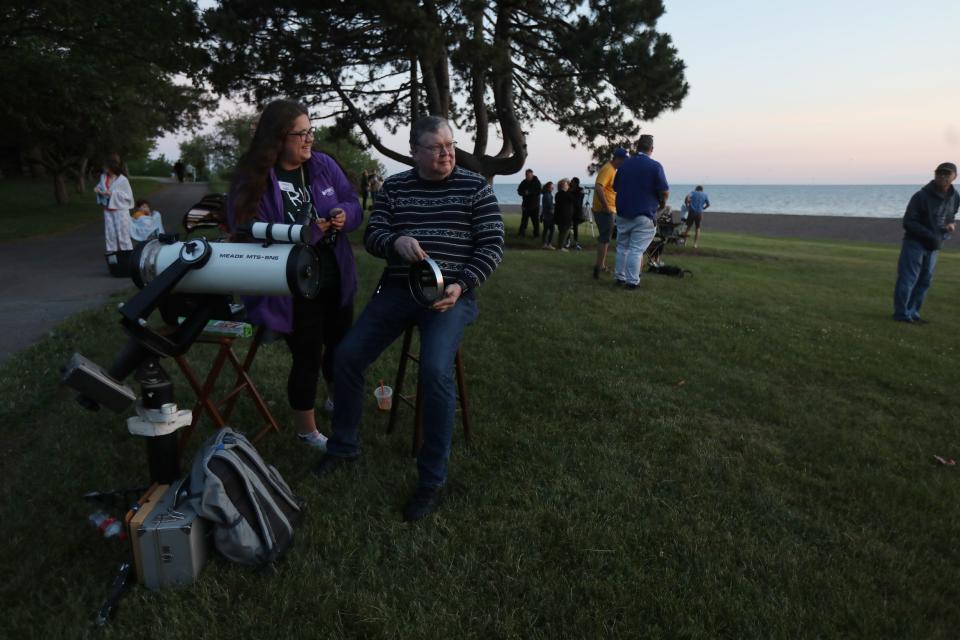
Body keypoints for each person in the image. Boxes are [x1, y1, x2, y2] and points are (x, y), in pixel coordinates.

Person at [314, 115, 504, 522]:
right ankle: (343, 445)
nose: (447, 153)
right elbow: (372, 236)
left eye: (450, 145)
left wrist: (463, 284)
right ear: (415, 151)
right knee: (346, 357)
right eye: (437, 147)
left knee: (435, 371)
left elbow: (492, 245)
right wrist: (394, 241)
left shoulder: (474, 188)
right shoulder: (395, 188)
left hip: (452, 297)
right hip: (399, 291)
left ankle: (432, 479)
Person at [225, 99, 363, 450]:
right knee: (307, 356)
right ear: (278, 138)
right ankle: (307, 430)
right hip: (292, 284)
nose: (309, 140)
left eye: (310, 131)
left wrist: (345, 214)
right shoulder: (255, 178)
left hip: (334, 276)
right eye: (301, 134)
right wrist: (308, 231)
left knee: (341, 346)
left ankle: (334, 398)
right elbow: (248, 230)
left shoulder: (323, 165)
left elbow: (353, 202)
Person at [892, 162, 958, 323]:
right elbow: (908, 222)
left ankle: (913, 312)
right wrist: (930, 235)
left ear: (954, 176)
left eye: (946, 173)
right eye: (939, 173)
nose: (942, 176)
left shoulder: (955, 197)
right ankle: (901, 314)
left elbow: (951, 213)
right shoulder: (921, 196)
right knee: (908, 279)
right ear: (934, 175)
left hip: (934, 246)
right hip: (915, 243)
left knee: (925, 280)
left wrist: (950, 223)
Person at [612, 135, 668, 290]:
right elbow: (664, 192)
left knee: (622, 247)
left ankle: (619, 277)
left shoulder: (624, 165)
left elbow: (616, 187)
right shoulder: (655, 166)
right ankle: (632, 281)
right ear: (651, 149)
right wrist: (662, 205)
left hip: (623, 212)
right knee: (636, 250)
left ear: (637, 147)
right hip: (643, 213)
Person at [591, 148, 628, 279]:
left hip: (609, 209)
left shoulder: (613, 170)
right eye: (624, 160)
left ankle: (601, 265)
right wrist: (606, 207)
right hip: (604, 210)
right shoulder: (608, 169)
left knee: (605, 238)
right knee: (604, 238)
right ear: (618, 159)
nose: (624, 163)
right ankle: (599, 266)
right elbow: (599, 187)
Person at [94, 155, 134, 257]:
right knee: (110, 233)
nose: (104, 168)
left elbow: (128, 196)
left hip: (120, 210)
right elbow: (100, 187)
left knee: (123, 233)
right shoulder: (103, 177)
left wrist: (112, 194)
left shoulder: (122, 180)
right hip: (107, 209)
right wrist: (98, 190)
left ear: (111, 167)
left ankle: (127, 254)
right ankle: (112, 254)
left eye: (106, 166)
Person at [517, 168, 542, 238]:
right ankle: (521, 234)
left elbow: (539, 191)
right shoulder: (523, 182)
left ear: (532, 174)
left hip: (535, 205)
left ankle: (536, 235)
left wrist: (530, 192)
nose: (528, 176)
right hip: (525, 204)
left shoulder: (537, 182)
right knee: (524, 221)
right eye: (527, 175)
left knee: (535, 221)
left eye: (529, 175)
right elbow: (519, 191)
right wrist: (524, 193)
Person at [554, 178, 575, 252]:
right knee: (564, 232)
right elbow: (573, 198)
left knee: (562, 232)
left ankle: (559, 246)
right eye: (566, 185)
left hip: (560, 216)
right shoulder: (565, 194)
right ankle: (560, 247)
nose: (568, 186)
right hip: (565, 216)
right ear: (563, 186)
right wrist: (571, 189)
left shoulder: (558, 194)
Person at [566, 177, 586, 250]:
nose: (571, 182)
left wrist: (570, 192)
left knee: (575, 227)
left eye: (572, 181)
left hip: (577, 211)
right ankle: (567, 241)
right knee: (568, 226)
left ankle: (576, 242)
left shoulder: (580, 189)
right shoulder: (569, 189)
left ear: (575, 183)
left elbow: (577, 200)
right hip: (569, 210)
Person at [540, 181, 555, 249]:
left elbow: (548, 205)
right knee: (551, 230)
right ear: (548, 187)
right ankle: (548, 244)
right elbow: (549, 205)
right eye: (552, 186)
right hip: (548, 216)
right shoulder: (547, 195)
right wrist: (553, 211)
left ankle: (544, 244)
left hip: (546, 215)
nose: (553, 187)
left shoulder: (547, 194)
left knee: (546, 230)